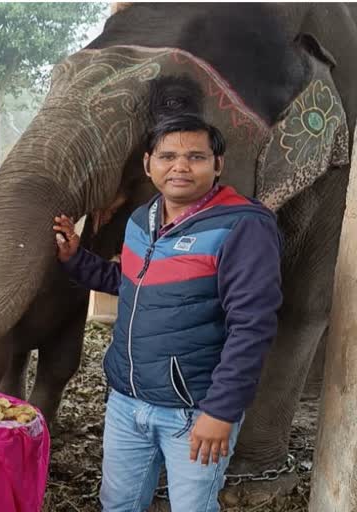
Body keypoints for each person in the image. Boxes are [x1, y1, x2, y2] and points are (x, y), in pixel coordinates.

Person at [53, 115, 282, 512]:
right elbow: (132, 282)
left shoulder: (243, 226)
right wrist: (77, 261)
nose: (180, 166)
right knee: (118, 505)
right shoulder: (143, 218)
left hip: (193, 411)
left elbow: (252, 326)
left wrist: (220, 411)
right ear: (148, 164)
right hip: (127, 401)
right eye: (168, 155)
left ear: (218, 164)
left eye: (196, 156)